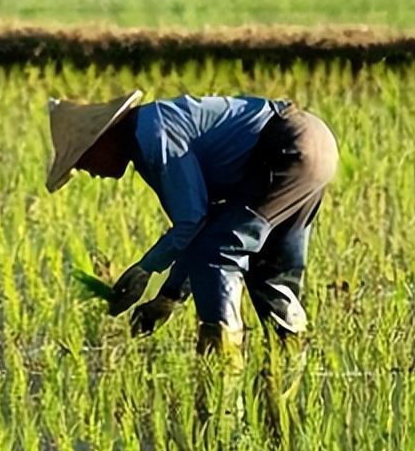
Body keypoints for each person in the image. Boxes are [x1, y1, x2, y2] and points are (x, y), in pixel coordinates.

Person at [45, 91, 338, 357]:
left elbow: (192, 222)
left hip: (286, 148)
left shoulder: (154, 135)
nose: (89, 172)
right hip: (314, 142)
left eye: (82, 162)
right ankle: (287, 369)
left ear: (101, 140)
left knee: (218, 251)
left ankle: (222, 370)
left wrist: (145, 269)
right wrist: (167, 299)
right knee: (269, 271)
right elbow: (199, 227)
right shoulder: (150, 130)